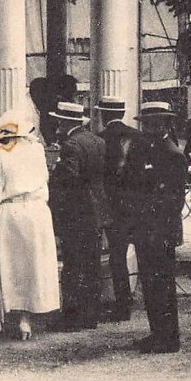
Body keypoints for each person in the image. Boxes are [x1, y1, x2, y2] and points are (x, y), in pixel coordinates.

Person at [0, 110, 60, 339]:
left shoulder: (0, 155)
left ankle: (12, 317)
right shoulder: (37, 151)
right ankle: (27, 319)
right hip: (38, 211)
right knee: (33, 265)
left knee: (12, 266)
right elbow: (45, 182)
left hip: (12, 211)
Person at [48, 100, 109, 331]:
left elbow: (70, 178)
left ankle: (72, 317)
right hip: (96, 211)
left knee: (73, 265)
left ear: (65, 122)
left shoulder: (71, 145)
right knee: (91, 264)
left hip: (77, 213)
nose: (57, 127)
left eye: (59, 122)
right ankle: (91, 314)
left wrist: (56, 174)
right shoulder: (98, 141)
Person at [133, 101, 187, 354]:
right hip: (146, 228)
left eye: (155, 122)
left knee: (162, 284)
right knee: (150, 283)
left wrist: (155, 224)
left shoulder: (172, 154)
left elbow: (174, 201)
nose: (150, 127)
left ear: (165, 124)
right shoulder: (147, 149)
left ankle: (168, 338)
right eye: (147, 123)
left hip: (160, 230)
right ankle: (157, 333)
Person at [96, 96, 144, 322]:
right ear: (123, 113)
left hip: (112, 206)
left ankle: (122, 303)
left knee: (116, 255)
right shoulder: (137, 136)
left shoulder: (100, 139)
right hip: (136, 205)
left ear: (102, 114)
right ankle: (139, 297)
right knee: (139, 253)